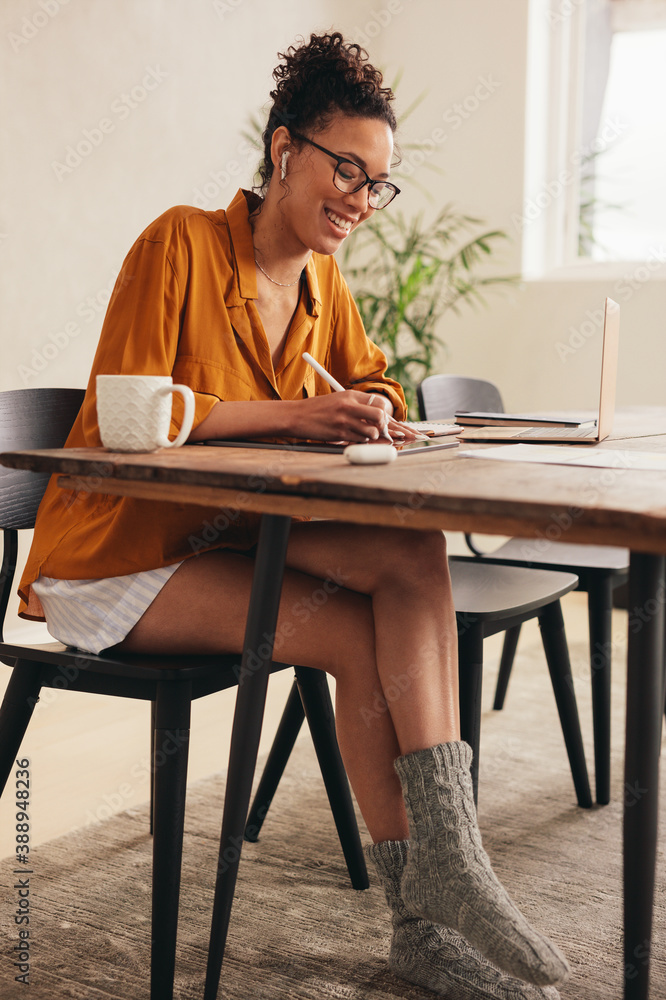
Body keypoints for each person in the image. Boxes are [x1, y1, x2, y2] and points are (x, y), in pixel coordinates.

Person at [19, 31, 568, 1000]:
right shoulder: (179, 241)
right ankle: (445, 874)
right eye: (345, 168)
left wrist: (378, 408)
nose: (360, 197)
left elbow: (368, 376)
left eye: (377, 181)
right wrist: (297, 413)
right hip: (113, 560)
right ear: (283, 153)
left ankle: (432, 888)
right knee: (377, 594)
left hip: (220, 540)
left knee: (404, 561)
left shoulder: (320, 282)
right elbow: (126, 416)